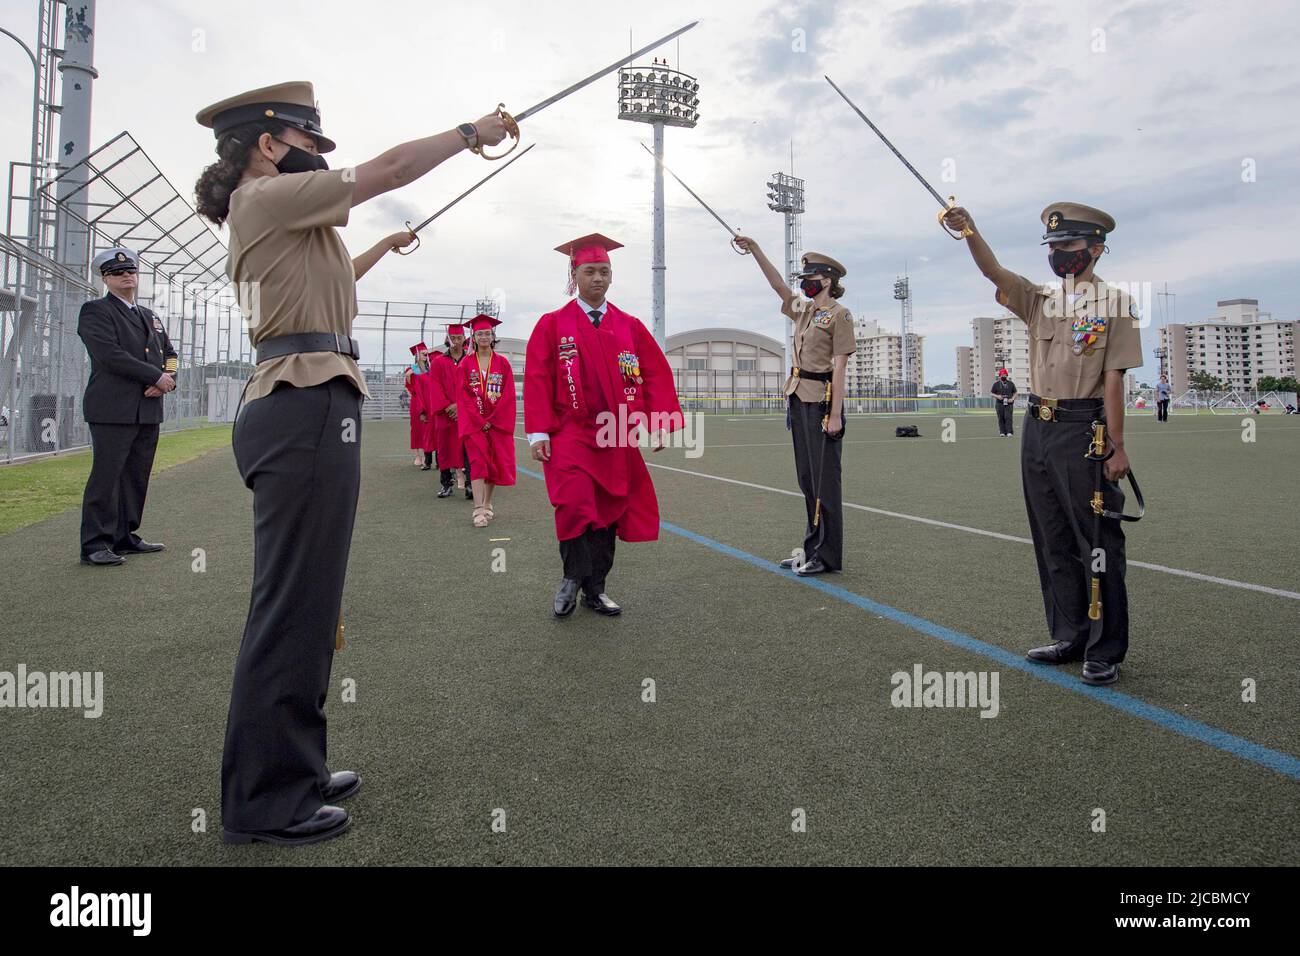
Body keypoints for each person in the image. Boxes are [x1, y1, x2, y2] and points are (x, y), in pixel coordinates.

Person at [194, 79, 506, 845]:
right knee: (293, 606)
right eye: (305, 144)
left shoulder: (275, 213)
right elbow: (392, 168)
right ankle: (266, 801)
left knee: (308, 603)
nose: (316, 160)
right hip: (303, 408)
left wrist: (383, 245)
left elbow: (332, 289)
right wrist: (470, 130)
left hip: (309, 401)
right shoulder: (266, 198)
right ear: (269, 145)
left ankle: (291, 770)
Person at [943, 201, 1142, 685]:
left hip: (1083, 428)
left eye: (1068, 246)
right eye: (1053, 247)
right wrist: (969, 230)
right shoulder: (1040, 299)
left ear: (1095, 249)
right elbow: (994, 271)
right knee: (1051, 535)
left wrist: (1117, 444)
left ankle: (1105, 648)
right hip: (1037, 424)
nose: (1058, 254)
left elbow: (1113, 377)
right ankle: (1070, 634)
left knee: (1095, 540)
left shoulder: (1115, 303)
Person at [524, 233, 683, 616]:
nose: (598, 278)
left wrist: (659, 420)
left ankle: (595, 588)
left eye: (604, 271)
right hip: (570, 433)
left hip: (616, 434)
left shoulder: (629, 326)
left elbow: (654, 372)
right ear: (574, 274)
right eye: (590, 271)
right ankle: (571, 579)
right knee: (574, 505)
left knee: (608, 512)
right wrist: (539, 431)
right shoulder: (553, 324)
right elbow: (538, 378)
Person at [734, 238, 856, 576]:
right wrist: (755, 249)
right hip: (798, 396)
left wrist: (834, 415)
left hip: (822, 401)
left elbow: (841, 365)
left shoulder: (839, 315)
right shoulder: (804, 309)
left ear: (827, 280)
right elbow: (777, 285)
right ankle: (812, 546)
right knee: (807, 479)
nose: (804, 282)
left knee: (825, 482)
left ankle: (828, 555)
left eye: (810, 277)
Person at [76, 247, 178, 567]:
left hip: (147, 409)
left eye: (131, 271)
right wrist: (155, 375)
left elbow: (170, 353)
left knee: (136, 476)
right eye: (118, 272)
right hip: (113, 409)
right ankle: (95, 543)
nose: (127, 276)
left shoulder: (150, 316)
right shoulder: (96, 311)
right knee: (107, 477)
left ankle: (124, 535)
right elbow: (110, 354)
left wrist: (170, 378)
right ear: (105, 279)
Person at [457, 315, 516, 526]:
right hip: (474, 424)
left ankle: (488, 502)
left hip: (497, 423)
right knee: (478, 463)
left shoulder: (502, 363)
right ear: (473, 337)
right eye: (480, 333)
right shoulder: (466, 364)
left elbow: (508, 395)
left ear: (493, 336)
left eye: (487, 333)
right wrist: (480, 421)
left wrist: (493, 419)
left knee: (494, 464)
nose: (484, 337)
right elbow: (463, 396)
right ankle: (478, 509)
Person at [431, 324, 470, 498]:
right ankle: (446, 484)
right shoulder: (438, 361)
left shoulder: (470, 359)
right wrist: (449, 406)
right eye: (452, 338)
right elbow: (435, 386)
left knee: (468, 448)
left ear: (464, 339)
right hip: (445, 414)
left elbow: (472, 386)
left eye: (459, 338)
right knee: (444, 448)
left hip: (467, 413)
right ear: (447, 339)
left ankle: (470, 484)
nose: (456, 341)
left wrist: (460, 406)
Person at [405, 342, 438, 469]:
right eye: (423, 354)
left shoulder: (430, 368)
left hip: (429, 402)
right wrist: (409, 377)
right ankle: (417, 456)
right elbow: (410, 387)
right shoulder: (411, 370)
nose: (426, 356)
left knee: (428, 430)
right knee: (417, 429)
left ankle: (426, 455)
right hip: (417, 403)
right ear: (417, 355)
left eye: (427, 354)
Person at [991, 368, 1018, 437]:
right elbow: (991, 393)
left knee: (1008, 417)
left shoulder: (1011, 384)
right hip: (999, 403)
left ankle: (1009, 432)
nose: (1003, 376)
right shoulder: (996, 384)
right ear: (999, 376)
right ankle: (1002, 432)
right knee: (1001, 417)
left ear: (1007, 375)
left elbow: (1015, 393)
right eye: (1002, 375)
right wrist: (997, 396)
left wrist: (1012, 399)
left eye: (1005, 375)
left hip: (1009, 403)